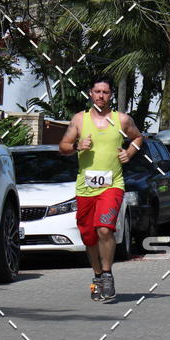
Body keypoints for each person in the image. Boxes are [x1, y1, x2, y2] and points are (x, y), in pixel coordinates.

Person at [59, 77, 143, 301]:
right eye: (97, 91)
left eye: (105, 92)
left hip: (112, 184)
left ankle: (107, 274)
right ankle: (97, 276)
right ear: (90, 93)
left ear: (111, 95)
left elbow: (138, 138)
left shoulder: (121, 120)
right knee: (88, 236)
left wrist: (129, 152)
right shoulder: (79, 119)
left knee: (104, 229)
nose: (101, 96)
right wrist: (78, 146)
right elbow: (63, 146)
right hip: (85, 187)